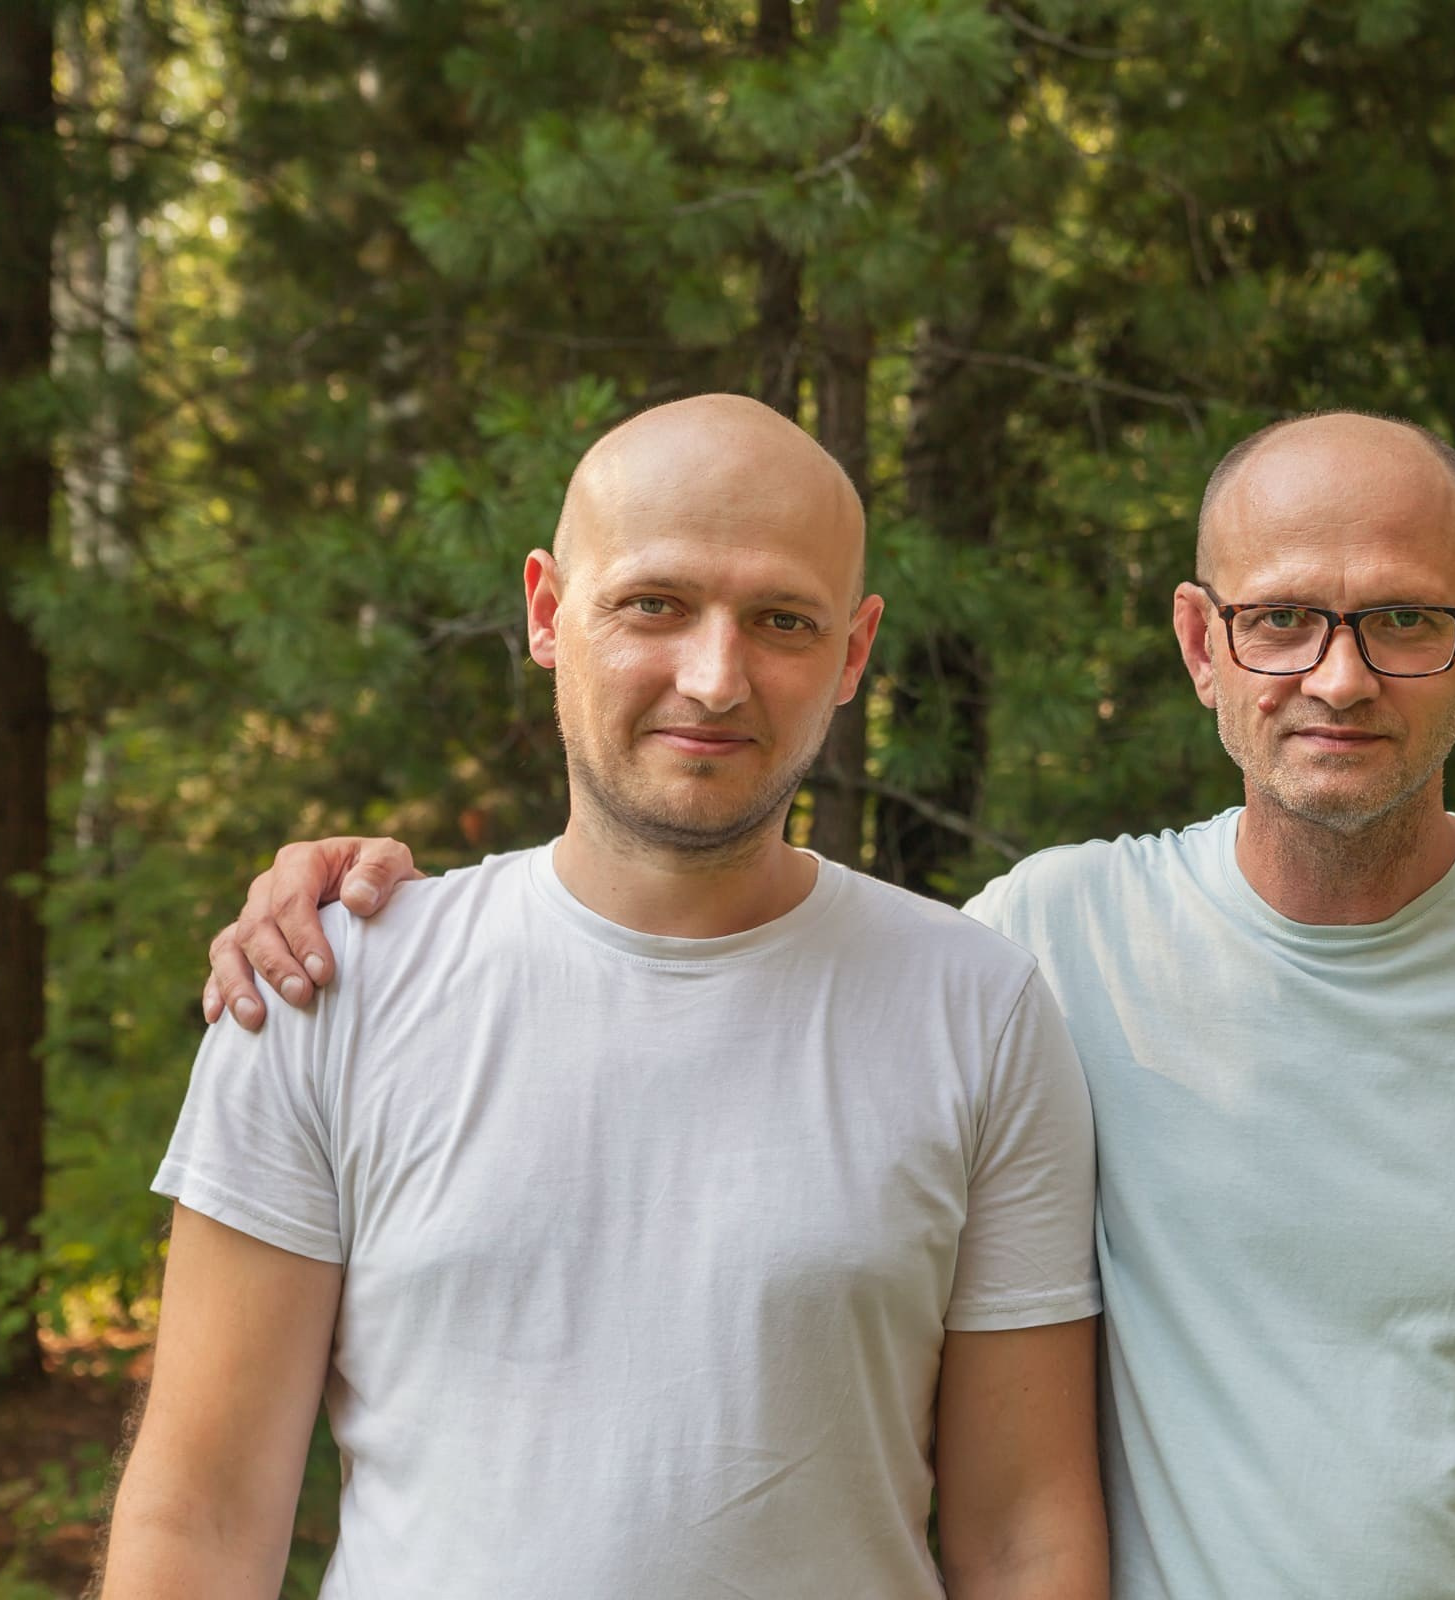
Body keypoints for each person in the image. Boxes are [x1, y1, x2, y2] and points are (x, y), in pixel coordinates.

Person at [209, 411, 1455, 1597]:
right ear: (1203, 647)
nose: (1337, 676)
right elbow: (724, 974)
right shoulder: (1041, 948)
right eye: (1281, 621)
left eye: (1401, 621)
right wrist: (363, 907)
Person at [108, 395, 1107, 1600]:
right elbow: (203, 1517)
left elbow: (1022, 1538)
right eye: (655, 604)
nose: (715, 675)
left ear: (853, 654)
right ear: (547, 610)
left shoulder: (979, 1011)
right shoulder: (332, 983)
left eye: (782, 619)